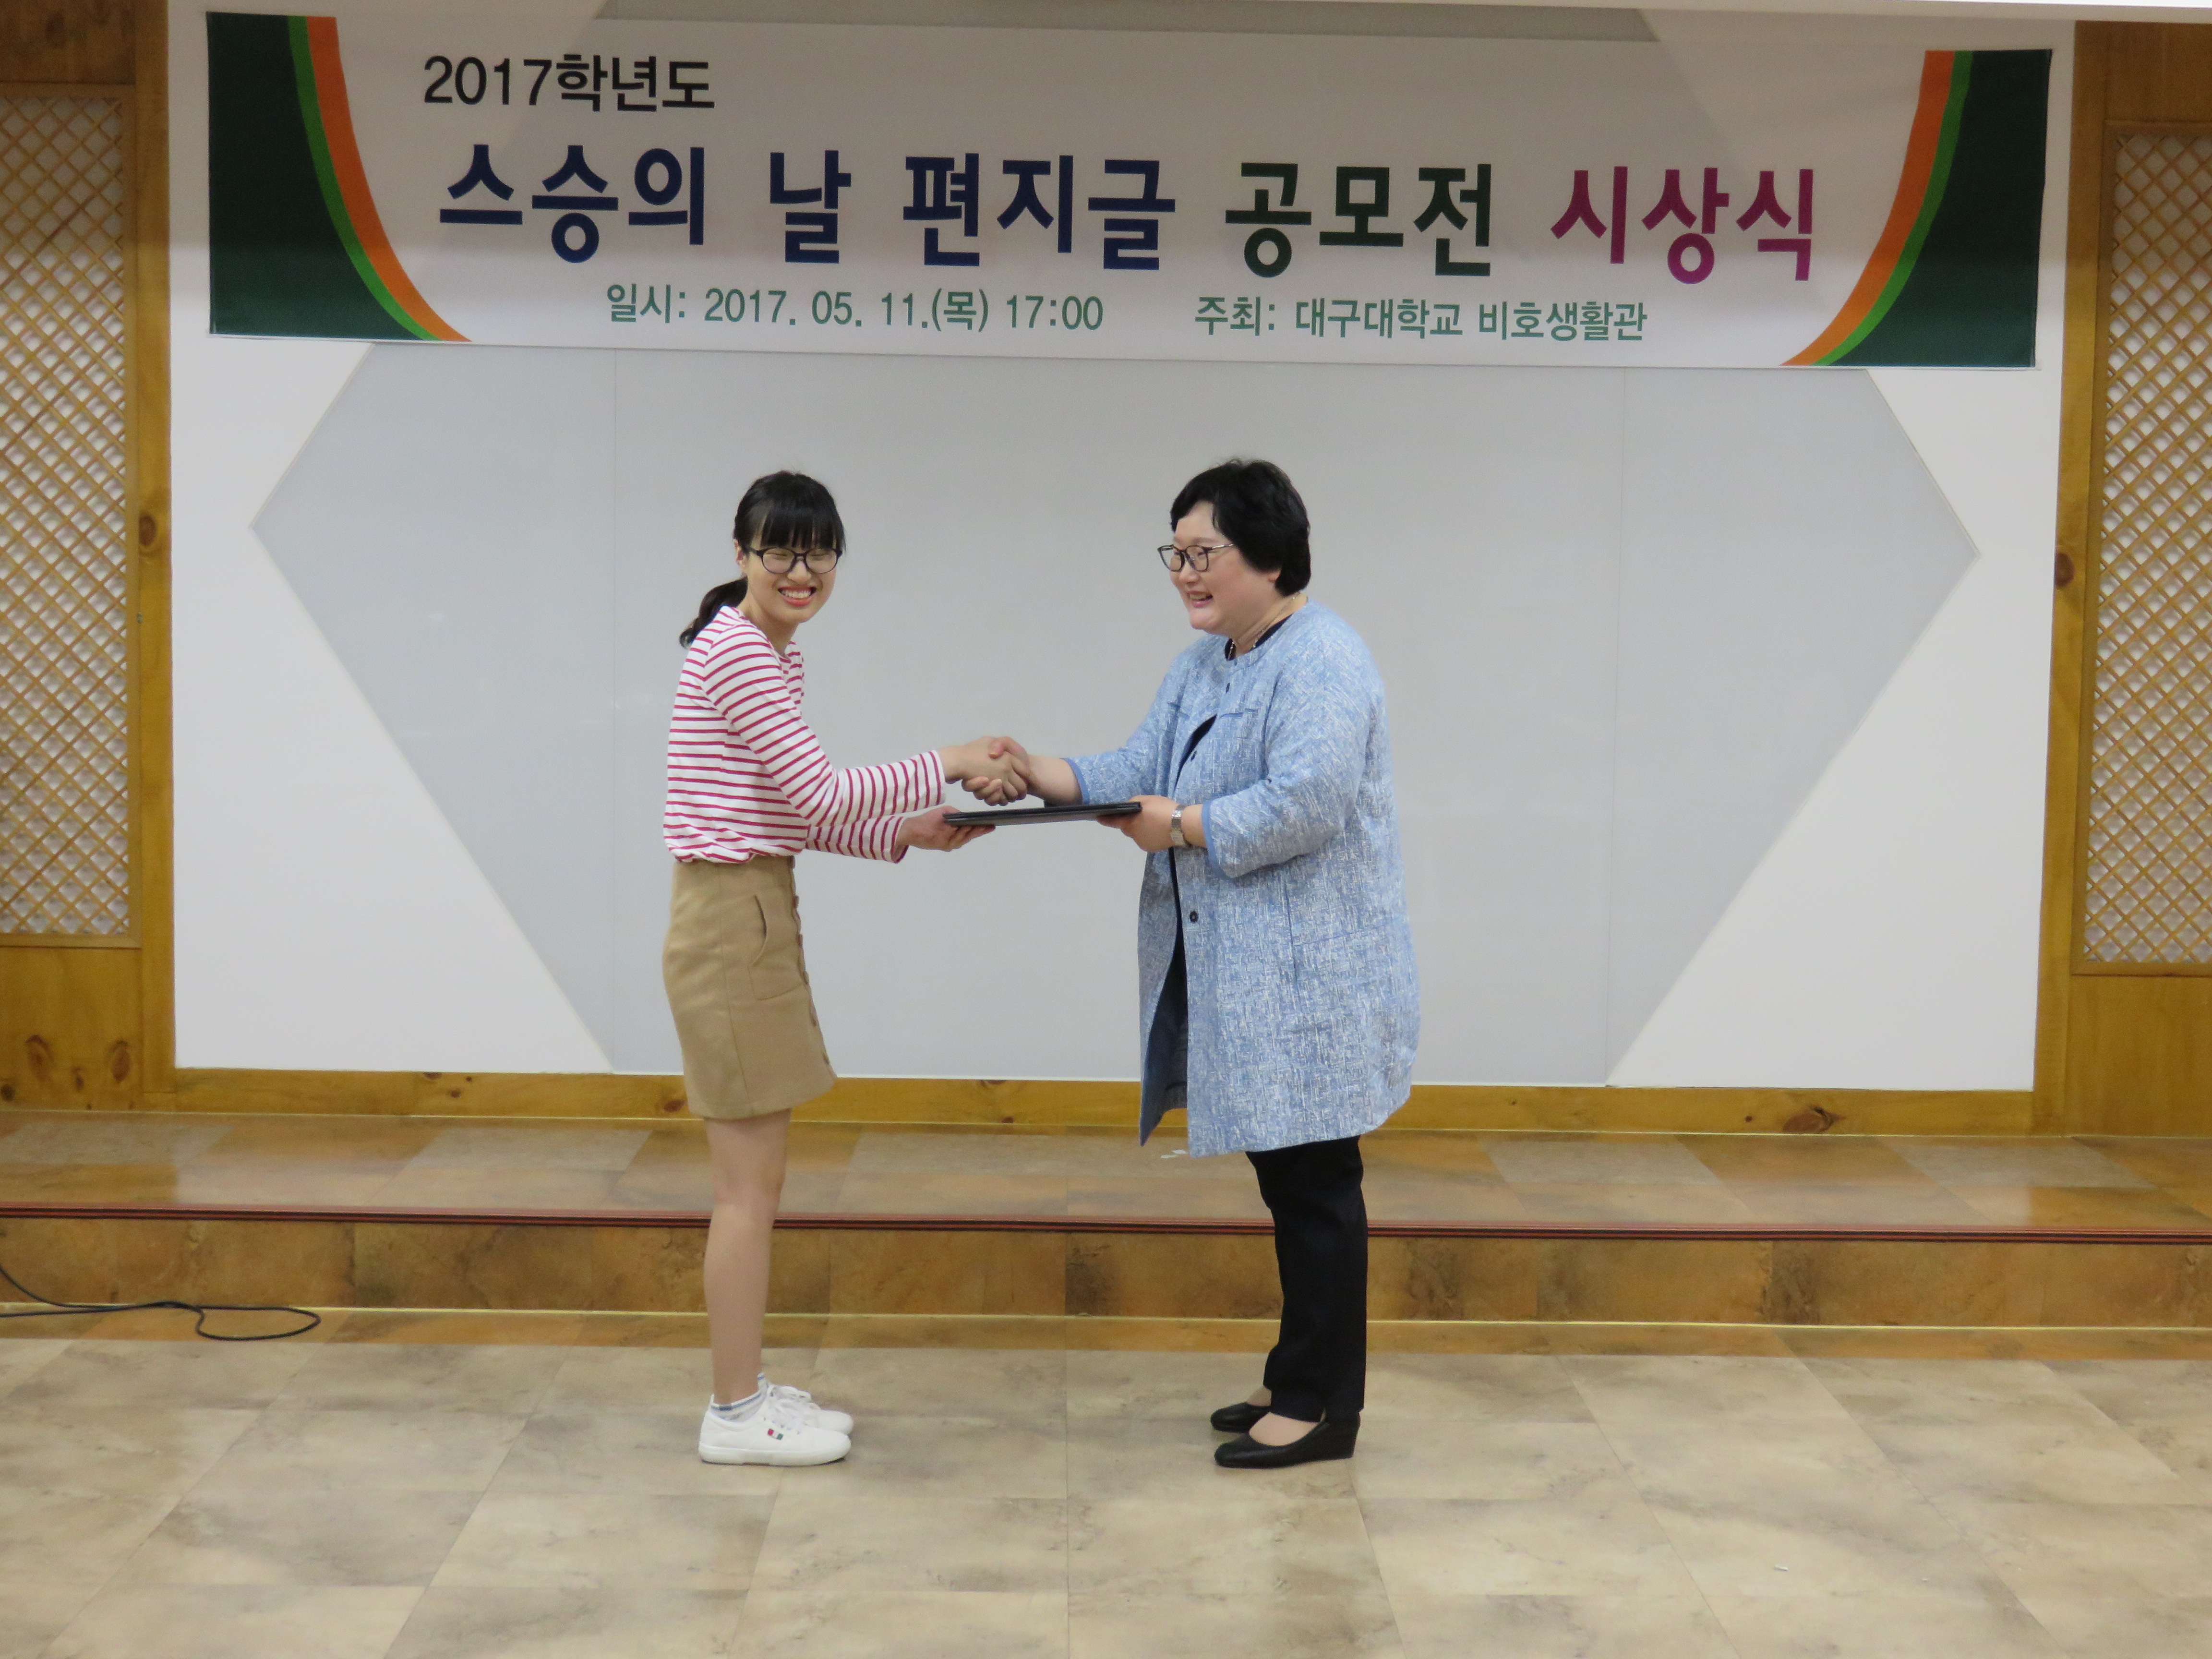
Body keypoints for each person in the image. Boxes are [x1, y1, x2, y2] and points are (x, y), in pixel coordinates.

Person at [1002, 459, 1418, 1469]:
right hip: (1250, 981)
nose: (1184, 572)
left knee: (1317, 1189)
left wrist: (1182, 826)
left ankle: (1324, 1407)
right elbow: (1135, 769)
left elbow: (1307, 803)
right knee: (1289, 1184)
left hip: (1313, 981)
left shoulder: (1325, 657)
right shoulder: (1207, 661)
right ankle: (1296, 1373)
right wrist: (1030, 772)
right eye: (1176, 554)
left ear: (1269, 557)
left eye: (1204, 553)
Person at [663, 469, 1019, 1467]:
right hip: (730, 923)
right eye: (782, 549)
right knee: (746, 1192)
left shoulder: (769, 652)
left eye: (820, 551)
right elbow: (820, 792)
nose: (803, 569)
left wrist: (906, 832)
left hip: (750, 910)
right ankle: (735, 1413)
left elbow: (794, 813)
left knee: (758, 1183)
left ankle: (744, 1390)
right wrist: (950, 758)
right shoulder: (741, 652)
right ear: (741, 553)